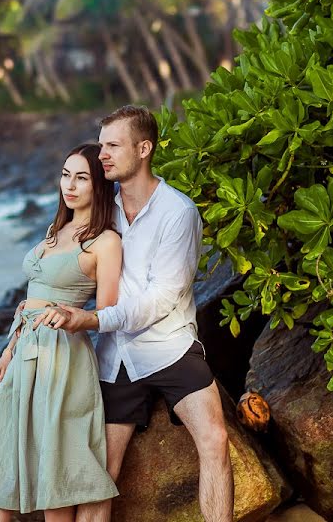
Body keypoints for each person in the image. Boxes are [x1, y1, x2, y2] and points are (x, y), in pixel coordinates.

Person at [34, 105, 234, 522]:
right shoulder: (101, 213)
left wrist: (90, 319)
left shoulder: (178, 212)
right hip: (115, 358)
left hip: (171, 348)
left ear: (144, 149)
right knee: (100, 476)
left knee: (214, 439)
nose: (102, 154)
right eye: (101, 144)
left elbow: (163, 297)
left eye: (112, 145)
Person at [0, 143, 123, 522]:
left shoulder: (106, 241)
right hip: (22, 354)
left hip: (62, 360)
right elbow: (29, 301)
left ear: (100, 184)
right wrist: (6, 354)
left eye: (82, 177)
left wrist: (71, 314)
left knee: (56, 480)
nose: (69, 185)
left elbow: (107, 314)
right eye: (65, 175)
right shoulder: (57, 228)